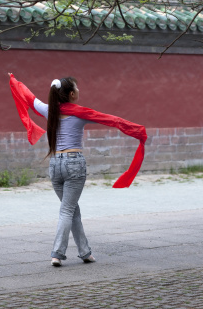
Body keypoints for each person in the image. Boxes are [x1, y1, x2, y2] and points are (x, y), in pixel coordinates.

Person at [8, 73, 147, 267]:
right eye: (77, 88)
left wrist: (15, 81)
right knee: (67, 210)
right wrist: (138, 131)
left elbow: (30, 98)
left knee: (72, 210)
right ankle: (57, 253)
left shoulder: (48, 110)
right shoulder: (80, 112)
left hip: (55, 165)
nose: (79, 91)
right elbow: (111, 119)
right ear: (72, 94)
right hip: (74, 164)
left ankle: (85, 252)